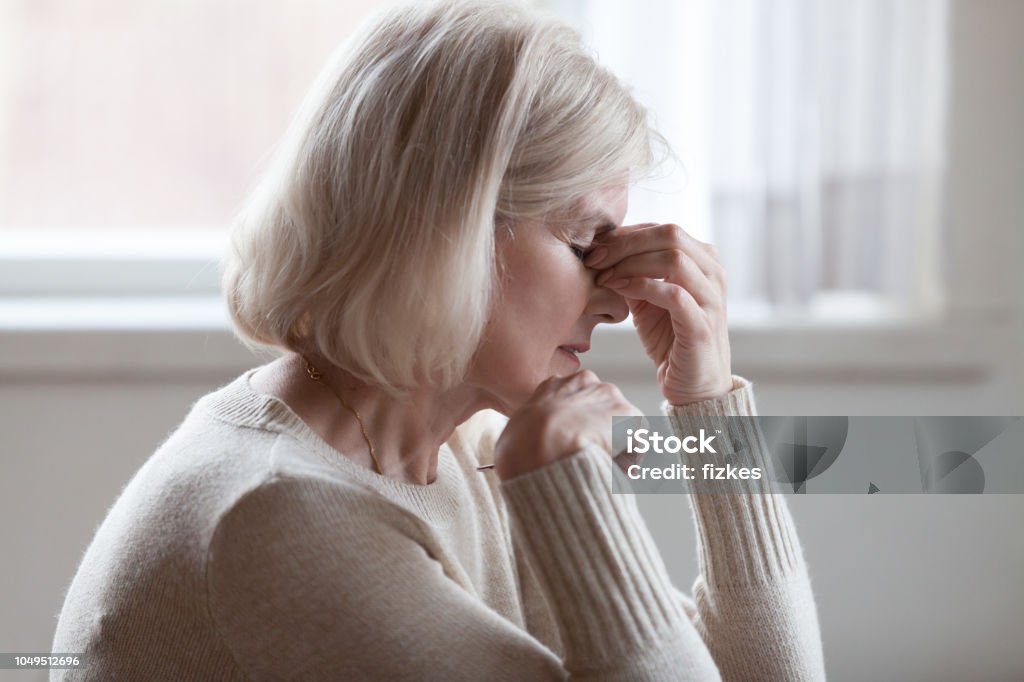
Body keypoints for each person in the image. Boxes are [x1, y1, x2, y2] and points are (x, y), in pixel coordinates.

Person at [51, 0, 826, 679]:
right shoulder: (280, 517)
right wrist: (573, 495)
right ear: (448, 233)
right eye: (588, 244)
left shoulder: (472, 444)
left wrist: (708, 406)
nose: (618, 305)